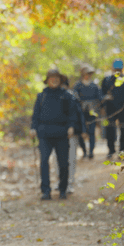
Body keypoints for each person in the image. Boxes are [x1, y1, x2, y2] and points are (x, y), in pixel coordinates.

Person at [29, 69, 79, 200]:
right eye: (51, 77)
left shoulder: (66, 95)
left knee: (63, 163)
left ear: (60, 79)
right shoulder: (41, 96)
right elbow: (35, 115)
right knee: (44, 162)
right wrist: (33, 128)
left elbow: (72, 114)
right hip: (44, 133)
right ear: (48, 80)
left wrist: (71, 127)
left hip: (62, 133)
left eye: (56, 77)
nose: (54, 80)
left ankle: (63, 189)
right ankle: (46, 191)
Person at [101, 59, 124, 159]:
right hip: (110, 110)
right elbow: (101, 94)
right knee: (110, 131)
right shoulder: (106, 80)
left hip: (123, 110)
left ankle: (122, 153)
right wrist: (104, 101)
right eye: (116, 69)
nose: (117, 71)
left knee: (123, 132)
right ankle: (111, 151)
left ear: (122, 69)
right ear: (112, 68)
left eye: (119, 69)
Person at [56, 74, 85, 194]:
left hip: (71, 134)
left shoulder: (73, 96)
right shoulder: (53, 96)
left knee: (71, 159)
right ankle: (61, 182)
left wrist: (80, 130)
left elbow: (79, 115)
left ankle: (70, 183)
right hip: (57, 134)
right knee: (57, 160)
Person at [73, 65, 102, 159]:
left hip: (92, 112)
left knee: (92, 132)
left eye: (89, 74)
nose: (87, 75)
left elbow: (99, 98)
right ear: (82, 74)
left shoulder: (94, 86)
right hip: (80, 112)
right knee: (81, 132)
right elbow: (74, 98)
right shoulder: (77, 85)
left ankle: (91, 152)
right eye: (86, 73)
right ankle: (84, 151)